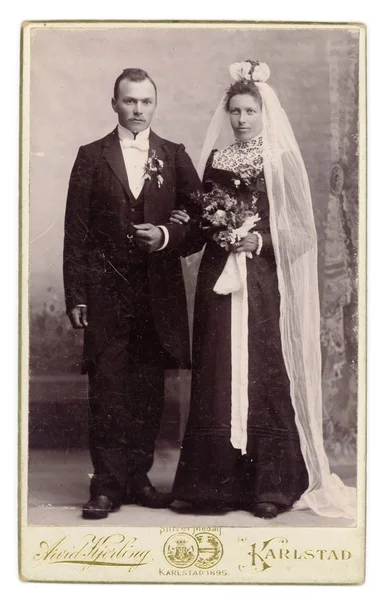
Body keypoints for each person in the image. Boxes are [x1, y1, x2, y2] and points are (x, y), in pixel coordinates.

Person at [170, 61, 356, 520]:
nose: (240, 120)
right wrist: (195, 228)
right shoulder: (215, 161)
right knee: (217, 370)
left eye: (249, 110)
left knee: (264, 372)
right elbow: (199, 222)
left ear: (263, 112)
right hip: (218, 281)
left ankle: (270, 487)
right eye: (234, 111)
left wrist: (260, 240)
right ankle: (211, 488)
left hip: (260, 284)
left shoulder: (280, 161)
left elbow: (302, 233)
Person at [63, 68, 201, 519]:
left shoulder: (173, 154)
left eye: (145, 102)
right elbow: (75, 233)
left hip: (156, 297)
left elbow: (200, 220)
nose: (137, 110)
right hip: (105, 295)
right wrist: (77, 295)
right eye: (129, 101)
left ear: (154, 105)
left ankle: (138, 479)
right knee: (108, 388)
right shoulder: (91, 156)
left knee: (147, 389)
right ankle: (105, 486)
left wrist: (164, 235)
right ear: (114, 103)